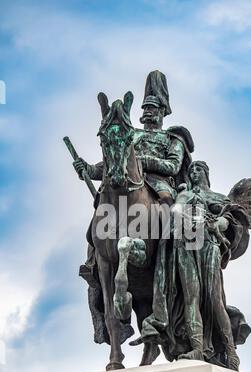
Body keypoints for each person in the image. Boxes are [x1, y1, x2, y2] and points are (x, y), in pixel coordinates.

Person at [73, 70, 193, 286]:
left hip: (160, 186)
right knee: (101, 210)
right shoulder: (132, 133)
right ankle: (93, 261)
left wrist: (140, 161)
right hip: (126, 184)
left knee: (169, 211)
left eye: (152, 108)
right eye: (145, 108)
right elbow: (115, 161)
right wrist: (89, 169)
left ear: (163, 112)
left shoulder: (173, 138)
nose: (147, 112)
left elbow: (173, 166)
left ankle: (171, 256)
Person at [141, 161, 251, 370]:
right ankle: (197, 348)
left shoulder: (218, 197)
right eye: (191, 170)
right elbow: (175, 212)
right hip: (185, 243)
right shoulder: (184, 194)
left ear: (206, 174)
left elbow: (232, 218)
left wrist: (221, 223)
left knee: (214, 299)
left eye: (198, 169)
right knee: (191, 296)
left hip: (208, 243)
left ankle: (230, 352)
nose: (193, 172)